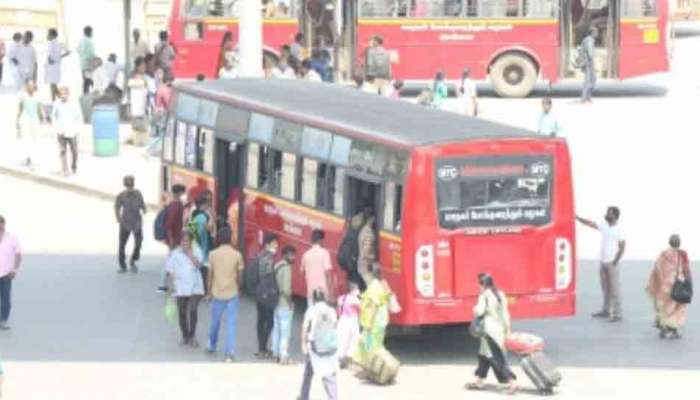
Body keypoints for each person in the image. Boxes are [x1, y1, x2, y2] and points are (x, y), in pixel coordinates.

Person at [467, 273, 517, 394]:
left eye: (479, 284)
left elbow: (479, 312)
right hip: (499, 330)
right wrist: (508, 330)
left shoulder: (484, 296)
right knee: (483, 355)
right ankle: (479, 380)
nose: (478, 286)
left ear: (482, 284)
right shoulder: (500, 294)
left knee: (496, 358)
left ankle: (511, 382)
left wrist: (474, 309)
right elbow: (506, 314)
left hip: (488, 331)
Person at [577, 207, 626, 322]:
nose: (606, 215)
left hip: (611, 263)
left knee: (614, 289)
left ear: (614, 216)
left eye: (609, 213)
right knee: (605, 288)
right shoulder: (604, 226)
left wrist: (615, 261)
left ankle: (618, 314)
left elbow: (622, 247)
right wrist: (578, 218)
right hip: (603, 262)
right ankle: (606, 310)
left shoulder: (619, 230)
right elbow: (590, 223)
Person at [206, 227, 245, 362]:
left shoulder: (212, 254)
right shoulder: (237, 255)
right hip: (232, 293)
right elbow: (240, 276)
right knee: (231, 324)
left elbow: (210, 275)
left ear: (219, 238)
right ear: (231, 238)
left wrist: (208, 292)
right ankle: (229, 352)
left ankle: (212, 345)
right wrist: (239, 289)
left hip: (217, 293)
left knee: (215, 323)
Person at [646, 234, 692, 339]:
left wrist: (656, 282)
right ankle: (674, 330)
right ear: (679, 243)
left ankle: (663, 329)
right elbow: (686, 269)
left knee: (664, 308)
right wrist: (689, 282)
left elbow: (656, 269)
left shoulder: (663, 254)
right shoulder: (682, 254)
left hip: (664, 285)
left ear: (669, 242)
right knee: (677, 307)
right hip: (677, 284)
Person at [165, 231, 205, 347]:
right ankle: (185, 336)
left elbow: (199, 265)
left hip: (195, 287)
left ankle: (193, 336)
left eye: (187, 241)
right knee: (182, 312)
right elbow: (170, 270)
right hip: (181, 288)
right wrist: (172, 287)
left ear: (191, 242)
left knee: (193, 309)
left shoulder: (197, 251)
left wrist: (190, 254)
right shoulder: (175, 253)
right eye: (182, 241)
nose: (184, 243)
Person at [298, 289, 338, 400]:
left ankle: (304, 396)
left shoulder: (311, 310)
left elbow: (305, 328)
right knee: (329, 376)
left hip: (314, 348)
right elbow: (334, 327)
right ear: (325, 297)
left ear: (314, 299)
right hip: (330, 348)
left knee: (308, 374)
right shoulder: (332, 311)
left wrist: (303, 344)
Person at [353, 262, 393, 365]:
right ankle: (372, 365)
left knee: (369, 345)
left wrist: (370, 323)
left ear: (370, 273)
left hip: (374, 322)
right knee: (376, 344)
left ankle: (370, 365)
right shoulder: (382, 284)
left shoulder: (375, 286)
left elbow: (374, 306)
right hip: (382, 320)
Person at [254, 233, 279, 358]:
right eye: (274, 243)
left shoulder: (259, 255)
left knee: (261, 320)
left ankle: (261, 348)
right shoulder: (268, 258)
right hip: (267, 293)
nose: (277, 245)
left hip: (259, 292)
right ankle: (263, 348)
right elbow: (267, 276)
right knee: (269, 321)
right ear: (267, 245)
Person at [158, 184, 186, 293]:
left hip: (174, 238)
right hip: (174, 239)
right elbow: (169, 224)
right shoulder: (176, 205)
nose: (184, 195)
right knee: (172, 262)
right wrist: (172, 240)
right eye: (183, 193)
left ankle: (163, 285)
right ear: (179, 193)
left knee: (171, 261)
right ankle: (165, 285)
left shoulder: (174, 204)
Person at [114, 175, 146, 273]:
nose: (131, 185)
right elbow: (116, 207)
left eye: (131, 182)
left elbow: (142, 204)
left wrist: (144, 209)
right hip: (126, 223)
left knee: (139, 242)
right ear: (125, 184)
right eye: (129, 183)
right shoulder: (121, 195)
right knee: (122, 244)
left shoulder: (138, 193)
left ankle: (133, 260)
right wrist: (118, 218)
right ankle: (123, 265)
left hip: (137, 222)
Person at [271, 245, 296, 365]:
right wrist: (290, 302)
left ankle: (275, 353)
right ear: (285, 255)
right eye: (291, 255)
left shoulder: (277, 265)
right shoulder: (287, 268)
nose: (294, 257)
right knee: (285, 331)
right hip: (284, 304)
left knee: (276, 329)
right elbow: (285, 289)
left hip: (275, 302)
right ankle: (283, 355)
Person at [51, 86, 82, 175]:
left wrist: (77, 129)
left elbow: (79, 116)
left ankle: (74, 166)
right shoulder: (57, 104)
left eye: (65, 94)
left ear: (68, 94)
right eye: (61, 94)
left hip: (72, 131)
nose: (63, 96)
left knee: (75, 151)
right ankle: (65, 169)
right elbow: (54, 116)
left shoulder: (73, 103)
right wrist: (56, 128)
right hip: (61, 131)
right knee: (62, 151)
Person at [16, 80, 45, 169]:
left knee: (34, 139)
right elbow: (20, 108)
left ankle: (32, 158)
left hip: (34, 120)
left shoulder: (37, 96)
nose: (30, 87)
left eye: (32, 85)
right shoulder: (23, 96)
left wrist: (42, 118)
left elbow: (40, 108)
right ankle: (26, 158)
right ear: (26, 87)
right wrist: (17, 121)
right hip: (25, 120)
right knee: (26, 139)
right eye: (29, 86)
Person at [0, 215, 22, 331]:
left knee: (5, 299)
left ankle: (3, 320)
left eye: (2, 224)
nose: (0, 227)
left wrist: (15, 270)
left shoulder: (12, 238)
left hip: (6, 274)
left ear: (4, 224)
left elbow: (18, 254)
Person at [301, 230, 334, 306]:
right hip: (322, 294)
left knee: (312, 315)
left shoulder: (306, 254)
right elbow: (328, 275)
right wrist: (331, 294)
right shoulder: (325, 253)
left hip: (311, 293)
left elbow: (303, 272)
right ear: (321, 240)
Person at [191, 196, 215, 294]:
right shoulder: (203, 216)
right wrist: (212, 218)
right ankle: (203, 290)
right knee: (203, 269)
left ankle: (195, 288)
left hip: (195, 244)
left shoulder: (194, 214)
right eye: (208, 204)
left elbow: (191, 229)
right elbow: (209, 228)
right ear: (204, 204)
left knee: (197, 268)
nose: (209, 206)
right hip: (202, 245)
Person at [336, 281, 361, 369]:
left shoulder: (340, 298)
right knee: (355, 339)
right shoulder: (355, 300)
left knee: (343, 340)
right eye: (357, 289)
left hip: (342, 320)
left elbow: (338, 311)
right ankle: (348, 357)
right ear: (353, 290)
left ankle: (340, 359)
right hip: (352, 320)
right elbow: (360, 310)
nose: (358, 291)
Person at [45, 28, 70, 101]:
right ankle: (60, 98)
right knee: (52, 84)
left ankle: (55, 100)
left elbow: (68, 52)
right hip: (51, 66)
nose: (47, 36)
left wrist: (59, 57)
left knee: (52, 84)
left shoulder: (58, 43)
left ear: (52, 35)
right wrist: (59, 57)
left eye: (48, 34)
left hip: (54, 66)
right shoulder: (50, 43)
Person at [357, 208, 377, 289]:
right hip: (366, 266)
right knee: (373, 289)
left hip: (363, 266)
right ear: (371, 219)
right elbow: (366, 252)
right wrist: (374, 259)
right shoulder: (368, 233)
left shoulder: (363, 230)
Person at [77, 26, 96, 94]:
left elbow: (78, 50)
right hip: (88, 64)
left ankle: (86, 95)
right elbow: (92, 54)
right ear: (89, 32)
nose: (92, 33)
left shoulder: (81, 40)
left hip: (82, 64)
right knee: (88, 81)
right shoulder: (89, 41)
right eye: (92, 32)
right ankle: (87, 96)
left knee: (86, 80)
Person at [580, 27, 597, 104]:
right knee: (590, 80)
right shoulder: (589, 40)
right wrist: (593, 64)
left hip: (587, 63)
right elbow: (590, 54)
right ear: (592, 33)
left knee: (591, 80)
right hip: (588, 63)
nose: (597, 34)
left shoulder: (588, 40)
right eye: (596, 32)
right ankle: (585, 98)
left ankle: (587, 97)